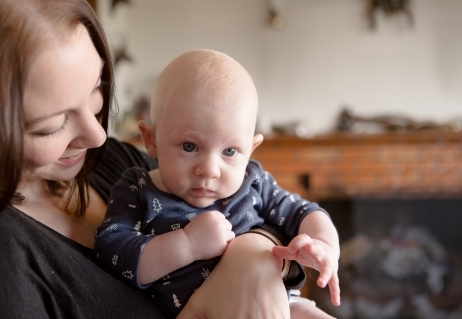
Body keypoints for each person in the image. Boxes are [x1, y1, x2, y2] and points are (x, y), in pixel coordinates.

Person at [0, 0, 312, 318]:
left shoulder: (115, 163)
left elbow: (251, 207)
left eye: (95, 89)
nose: (98, 135)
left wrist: (251, 254)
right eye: (51, 125)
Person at [95, 49, 340, 318]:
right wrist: (187, 245)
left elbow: (304, 211)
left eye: (230, 152)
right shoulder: (137, 189)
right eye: (189, 146)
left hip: (281, 305)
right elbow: (114, 254)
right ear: (151, 140)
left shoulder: (252, 180)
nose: (209, 170)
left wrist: (322, 244)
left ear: (250, 149)